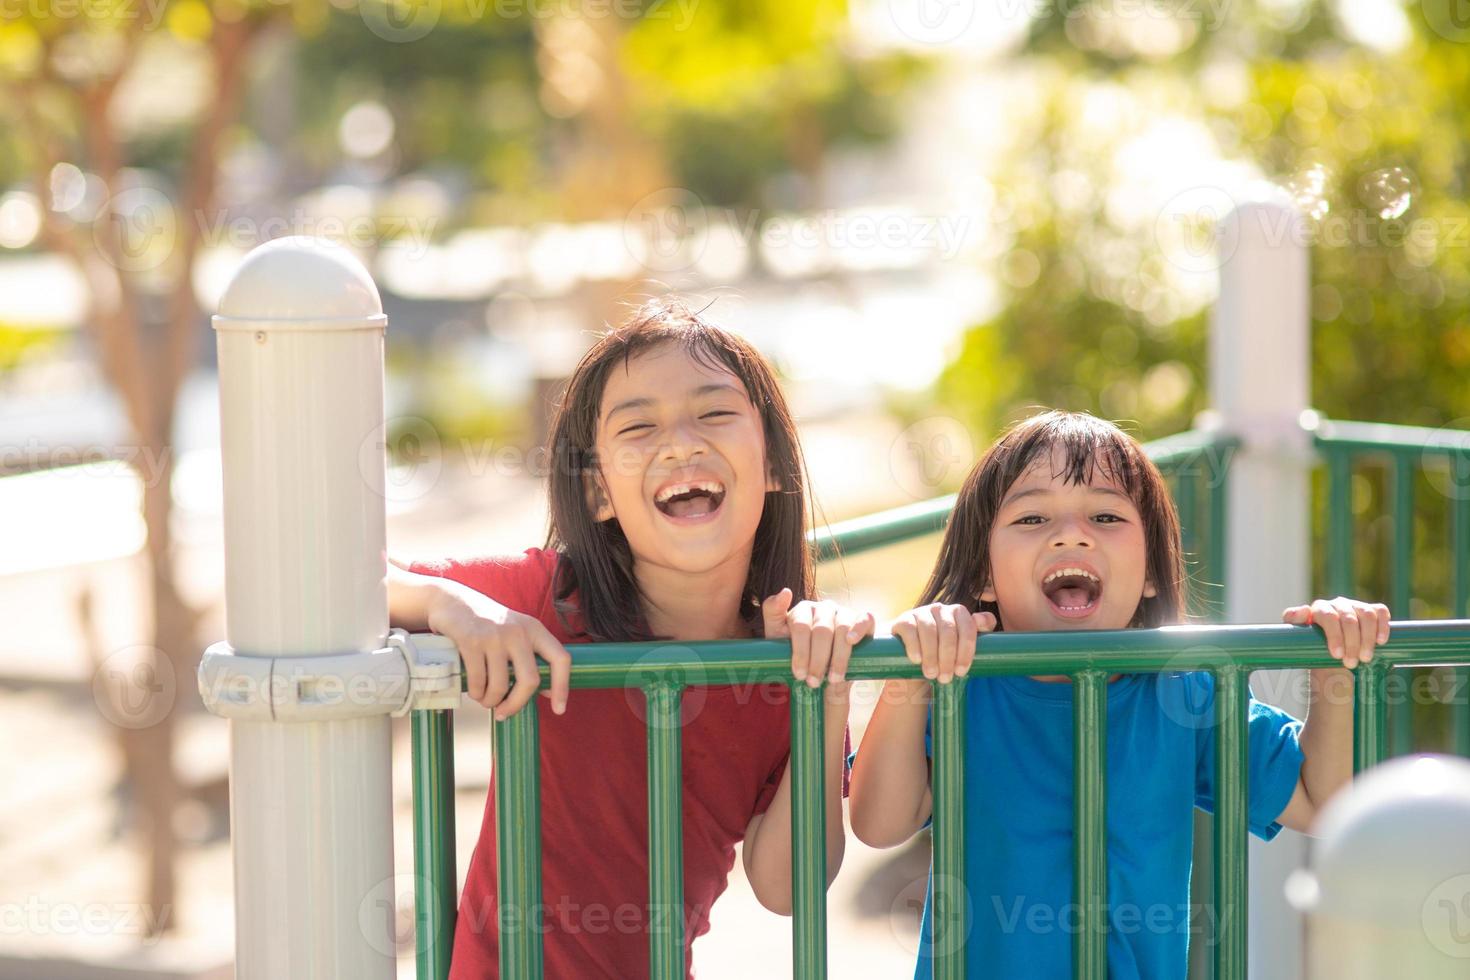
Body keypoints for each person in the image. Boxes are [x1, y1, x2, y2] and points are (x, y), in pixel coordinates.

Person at [388, 299, 872, 977]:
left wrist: (825, 691)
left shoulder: (785, 659)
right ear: (598, 496)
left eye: (714, 413)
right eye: (640, 426)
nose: (680, 443)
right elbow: (356, 579)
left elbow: (788, 888)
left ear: (771, 467)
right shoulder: (550, 596)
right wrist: (452, 604)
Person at [848, 410, 1389, 978]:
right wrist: (907, 675)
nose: (1071, 533)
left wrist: (1337, 671)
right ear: (984, 575)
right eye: (1032, 517)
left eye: (1105, 515)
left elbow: (1322, 803)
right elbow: (879, 825)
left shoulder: (1186, 691)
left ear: (1151, 571)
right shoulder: (958, 687)